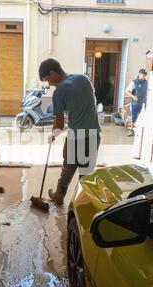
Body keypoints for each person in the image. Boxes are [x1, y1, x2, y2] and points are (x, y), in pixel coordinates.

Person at [39, 58, 101, 206]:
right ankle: (81, 203)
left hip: (76, 137)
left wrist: (52, 135)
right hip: (94, 134)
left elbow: (59, 124)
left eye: (48, 80)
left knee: (68, 168)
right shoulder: (83, 78)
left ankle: (59, 196)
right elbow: (92, 102)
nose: (49, 84)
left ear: (53, 73)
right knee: (86, 173)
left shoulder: (59, 92)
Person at [125, 69, 148, 137]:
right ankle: (131, 130)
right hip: (135, 103)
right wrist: (133, 96)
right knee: (133, 117)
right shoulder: (134, 82)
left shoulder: (146, 82)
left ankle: (139, 131)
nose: (144, 76)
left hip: (143, 103)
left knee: (141, 117)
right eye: (143, 75)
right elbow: (126, 91)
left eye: (145, 75)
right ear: (139, 74)